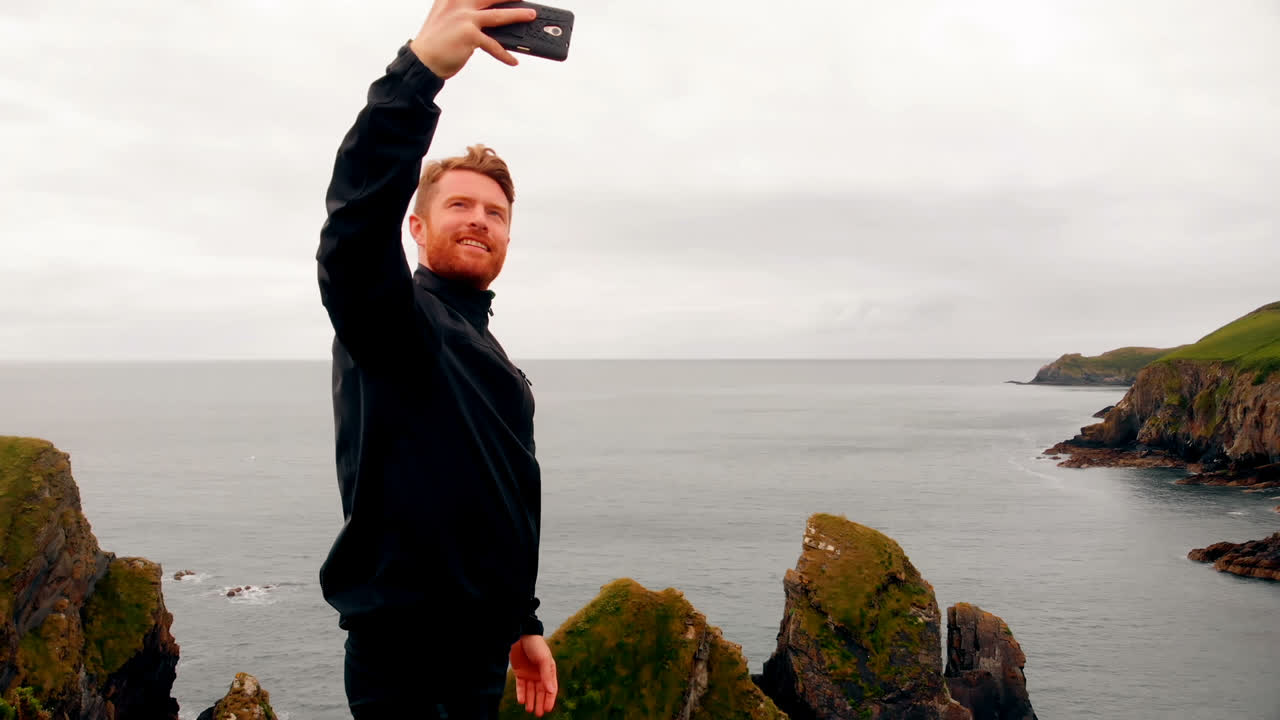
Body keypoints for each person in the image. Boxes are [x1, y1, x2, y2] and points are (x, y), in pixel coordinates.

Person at [315, 2, 557, 717]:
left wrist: (523, 623)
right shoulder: (398, 324)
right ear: (417, 227)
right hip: (407, 659)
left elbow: (497, 496)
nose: (480, 218)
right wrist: (417, 75)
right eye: (460, 205)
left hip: (478, 654)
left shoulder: (485, 351)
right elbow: (353, 231)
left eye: (496, 212)